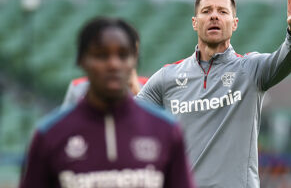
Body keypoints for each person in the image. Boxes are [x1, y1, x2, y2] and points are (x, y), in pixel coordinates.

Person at [136, 0, 291, 187]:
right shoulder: (168, 77)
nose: (214, 16)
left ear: (234, 23)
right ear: (195, 22)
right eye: (206, 11)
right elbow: (128, 114)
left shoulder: (251, 69)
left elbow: (286, 58)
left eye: (222, 11)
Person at [19, 17, 195, 188]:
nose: (113, 64)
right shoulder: (49, 135)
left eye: (123, 55)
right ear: (82, 60)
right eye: (101, 55)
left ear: (134, 61)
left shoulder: (165, 130)